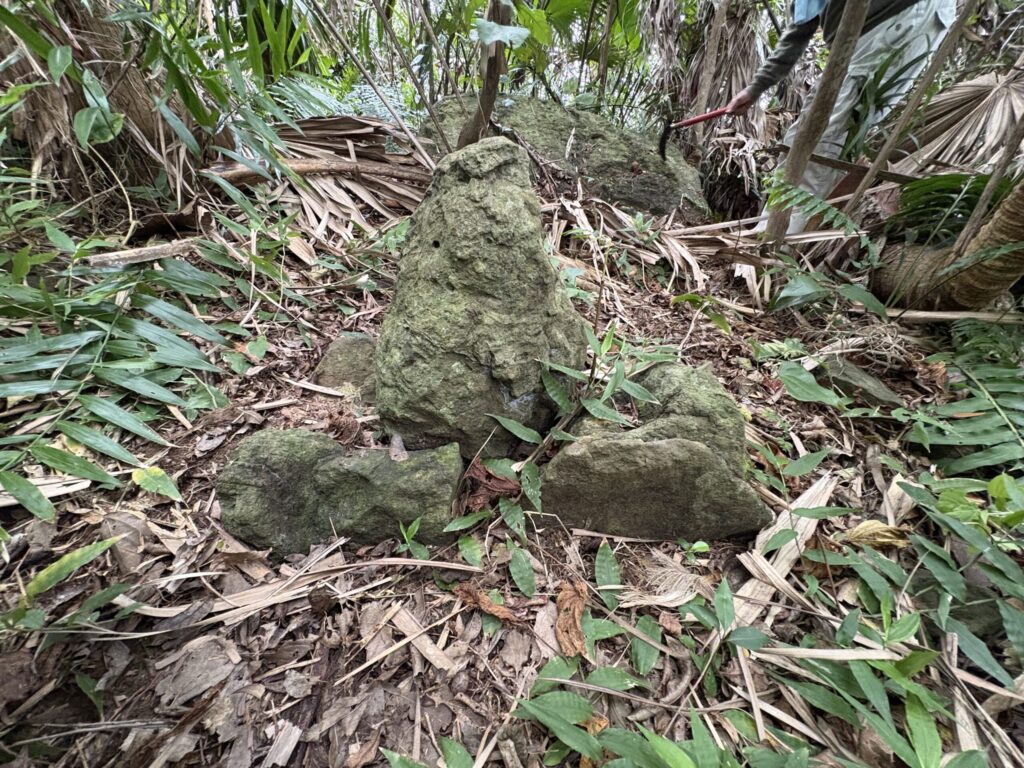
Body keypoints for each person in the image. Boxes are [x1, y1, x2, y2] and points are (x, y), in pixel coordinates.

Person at [725, 0, 956, 234]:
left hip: (896, 17)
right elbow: (799, 32)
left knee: (825, 133)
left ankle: (782, 236)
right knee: (813, 130)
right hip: (868, 37)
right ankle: (781, 229)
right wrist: (755, 89)